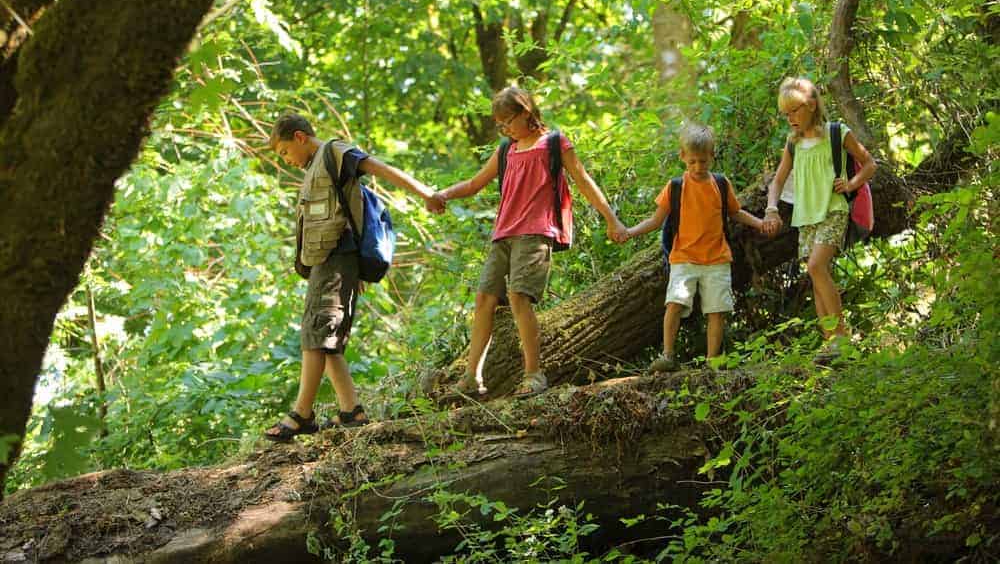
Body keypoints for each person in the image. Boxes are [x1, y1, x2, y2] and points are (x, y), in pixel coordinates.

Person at [431, 86, 628, 398]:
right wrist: (443, 194)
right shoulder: (506, 151)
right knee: (484, 300)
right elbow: (474, 183)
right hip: (503, 234)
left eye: (507, 121)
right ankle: (472, 377)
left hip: (537, 231)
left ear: (526, 113)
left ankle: (534, 374)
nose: (504, 128)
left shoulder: (554, 143)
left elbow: (583, 180)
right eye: (500, 125)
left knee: (518, 297)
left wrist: (611, 219)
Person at [264, 113, 444, 441]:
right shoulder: (315, 167)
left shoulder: (335, 154)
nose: (287, 160)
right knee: (324, 335)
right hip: (326, 262)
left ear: (301, 137)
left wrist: (426, 193)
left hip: (337, 259)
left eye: (285, 152)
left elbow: (380, 169)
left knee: (318, 332)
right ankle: (352, 411)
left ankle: (302, 414)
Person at [624, 123, 765, 371]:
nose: (698, 167)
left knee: (716, 310)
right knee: (674, 304)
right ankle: (668, 355)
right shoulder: (676, 187)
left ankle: (712, 362)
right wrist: (628, 232)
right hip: (683, 258)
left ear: (712, 156)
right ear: (682, 157)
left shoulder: (721, 184)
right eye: (692, 162)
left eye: (703, 161)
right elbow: (656, 220)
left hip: (717, 258)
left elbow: (736, 212)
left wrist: (761, 223)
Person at [761, 77, 876, 356]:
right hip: (806, 216)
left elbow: (870, 164)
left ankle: (841, 338)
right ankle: (830, 342)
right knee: (816, 274)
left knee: (815, 267)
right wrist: (772, 207)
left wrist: (851, 184)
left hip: (833, 210)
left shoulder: (837, 133)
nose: (790, 119)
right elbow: (777, 181)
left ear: (811, 105)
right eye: (786, 114)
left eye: (795, 111)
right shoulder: (793, 144)